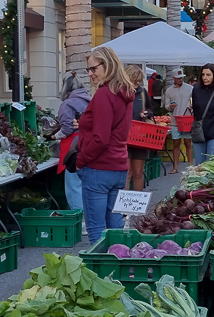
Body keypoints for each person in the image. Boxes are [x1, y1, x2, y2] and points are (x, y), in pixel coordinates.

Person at [77, 46, 133, 244]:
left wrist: (80, 160)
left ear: (107, 65)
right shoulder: (125, 93)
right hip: (118, 167)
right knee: (115, 229)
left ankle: (97, 274)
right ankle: (118, 270)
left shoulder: (104, 94)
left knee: (96, 230)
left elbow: (101, 138)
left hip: (98, 168)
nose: (91, 74)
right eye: (89, 70)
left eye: (94, 69)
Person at [55, 71, 91, 211]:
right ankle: (87, 217)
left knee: (74, 185)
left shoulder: (67, 104)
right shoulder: (90, 100)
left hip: (72, 147)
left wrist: (55, 136)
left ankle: (79, 218)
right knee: (85, 184)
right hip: (88, 143)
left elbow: (67, 129)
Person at [126, 64, 154, 191]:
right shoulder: (120, 93)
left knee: (138, 172)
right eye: (134, 79)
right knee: (126, 173)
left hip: (139, 137)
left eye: (139, 79)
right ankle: (122, 208)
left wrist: (146, 113)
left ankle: (136, 207)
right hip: (124, 138)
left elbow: (150, 108)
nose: (137, 82)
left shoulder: (142, 92)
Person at [163, 69, 194, 173]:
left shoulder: (190, 88)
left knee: (188, 143)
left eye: (181, 77)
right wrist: (170, 106)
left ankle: (190, 167)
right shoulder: (169, 91)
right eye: (178, 78)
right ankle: (175, 167)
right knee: (176, 143)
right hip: (175, 121)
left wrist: (192, 106)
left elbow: (195, 102)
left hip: (187, 120)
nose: (180, 79)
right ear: (173, 79)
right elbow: (166, 106)